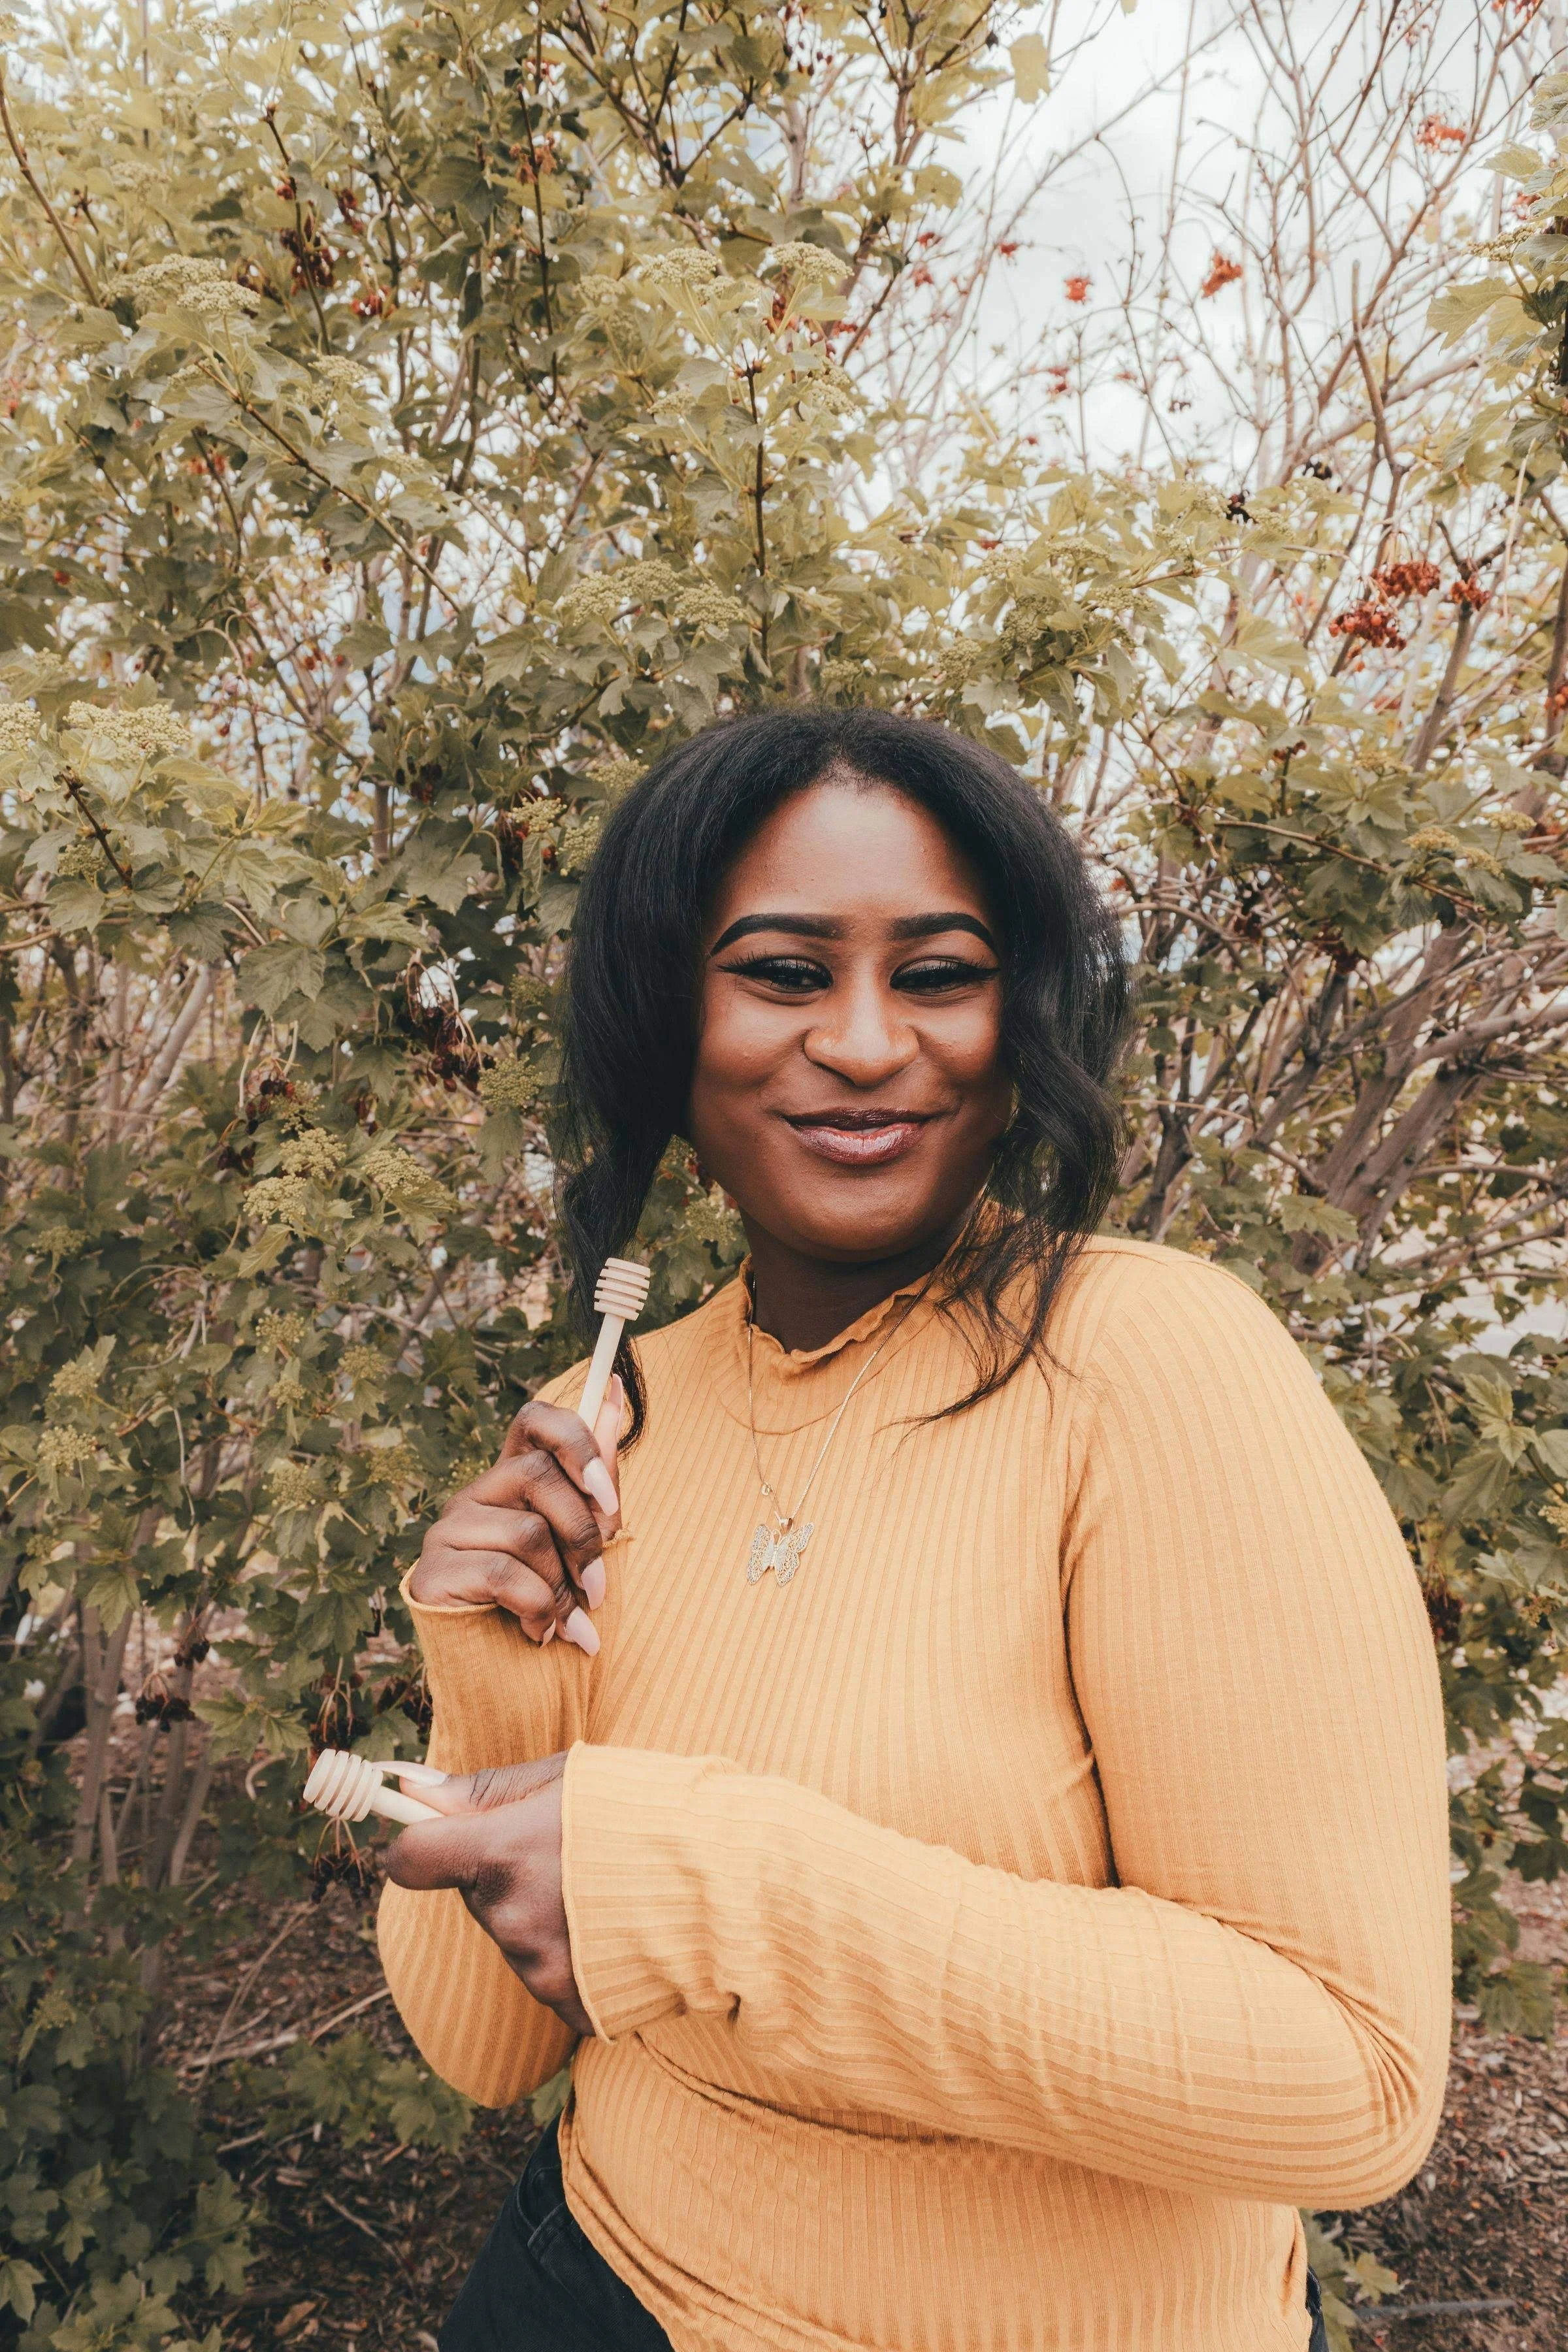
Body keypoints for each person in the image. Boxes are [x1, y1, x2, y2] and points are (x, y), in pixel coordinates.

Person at [378, 708, 1450, 2352]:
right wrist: (493, 1684)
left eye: (939, 974)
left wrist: (719, 1883)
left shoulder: (1150, 1363)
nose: (869, 1042)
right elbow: (488, 2055)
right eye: (786, 973)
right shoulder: (605, 1412)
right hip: (588, 2283)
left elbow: (1353, 2083)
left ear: (1019, 1020)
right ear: (670, 1014)